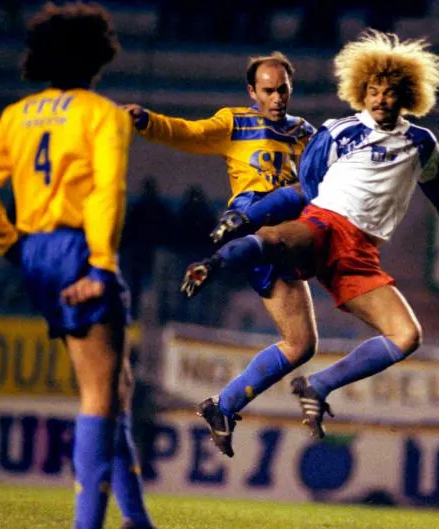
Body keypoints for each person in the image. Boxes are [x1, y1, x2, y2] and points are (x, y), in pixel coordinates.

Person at [0, 3, 183, 529]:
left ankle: (135, 524)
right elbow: (107, 191)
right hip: (81, 250)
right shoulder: (100, 115)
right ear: (97, 58)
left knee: (115, 385)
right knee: (99, 396)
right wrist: (102, 264)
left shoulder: (18, 115)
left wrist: (12, 247)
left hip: (35, 251)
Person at [180, 30, 439, 454]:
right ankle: (213, 264)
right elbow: (303, 190)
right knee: (274, 241)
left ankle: (304, 388)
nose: (379, 99)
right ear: (361, 91)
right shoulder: (339, 131)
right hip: (326, 225)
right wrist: (247, 216)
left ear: (407, 95)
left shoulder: (420, 143)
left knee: (403, 337)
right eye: (372, 90)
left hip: (360, 256)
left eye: (390, 92)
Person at [122, 53, 319, 457]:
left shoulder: (304, 132)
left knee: (301, 344)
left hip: (288, 237)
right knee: (272, 203)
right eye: (268, 90)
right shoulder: (236, 122)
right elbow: (188, 133)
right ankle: (225, 244)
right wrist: (147, 121)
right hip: (256, 223)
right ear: (252, 92)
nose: (277, 97)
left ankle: (222, 407)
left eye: (283, 89)